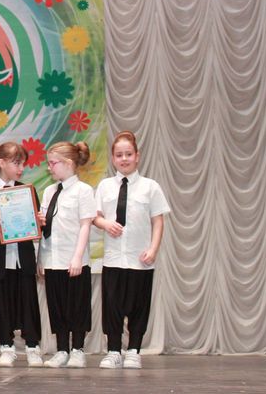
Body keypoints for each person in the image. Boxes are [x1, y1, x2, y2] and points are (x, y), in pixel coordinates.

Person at [93, 131, 170, 369]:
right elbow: (95, 216)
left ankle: (134, 350)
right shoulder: (105, 186)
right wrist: (105, 224)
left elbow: (158, 221)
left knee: (139, 306)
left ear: (137, 156)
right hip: (113, 258)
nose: (124, 159)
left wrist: (153, 249)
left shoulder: (150, 187)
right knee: (112, 307)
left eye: (128, 154)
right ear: (113, 158)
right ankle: (114, 351)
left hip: (140, 258)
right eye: (119, 155)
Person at [0, 141, 43, 367]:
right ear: (2, 163)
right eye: (16, 163)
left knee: (29, 303)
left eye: (22, 164)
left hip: (23, 258)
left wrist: (39, 221)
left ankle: (32, 347)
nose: (21, 168)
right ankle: (6, 346)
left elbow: (36, 224)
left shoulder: (27, 191)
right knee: (1, 304)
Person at [37, 141, 95, 369]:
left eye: (53, 163)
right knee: (57, 305)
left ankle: (78, 349)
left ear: (68, 163)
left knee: (77, 305)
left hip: (74, 259)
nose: (49, 167)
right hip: (53, 259)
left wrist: (78, 257)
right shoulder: (49, 191)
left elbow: (85, 225)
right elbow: (45, 228)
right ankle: (62, 349)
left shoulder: (83, 191)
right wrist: (41, 258)